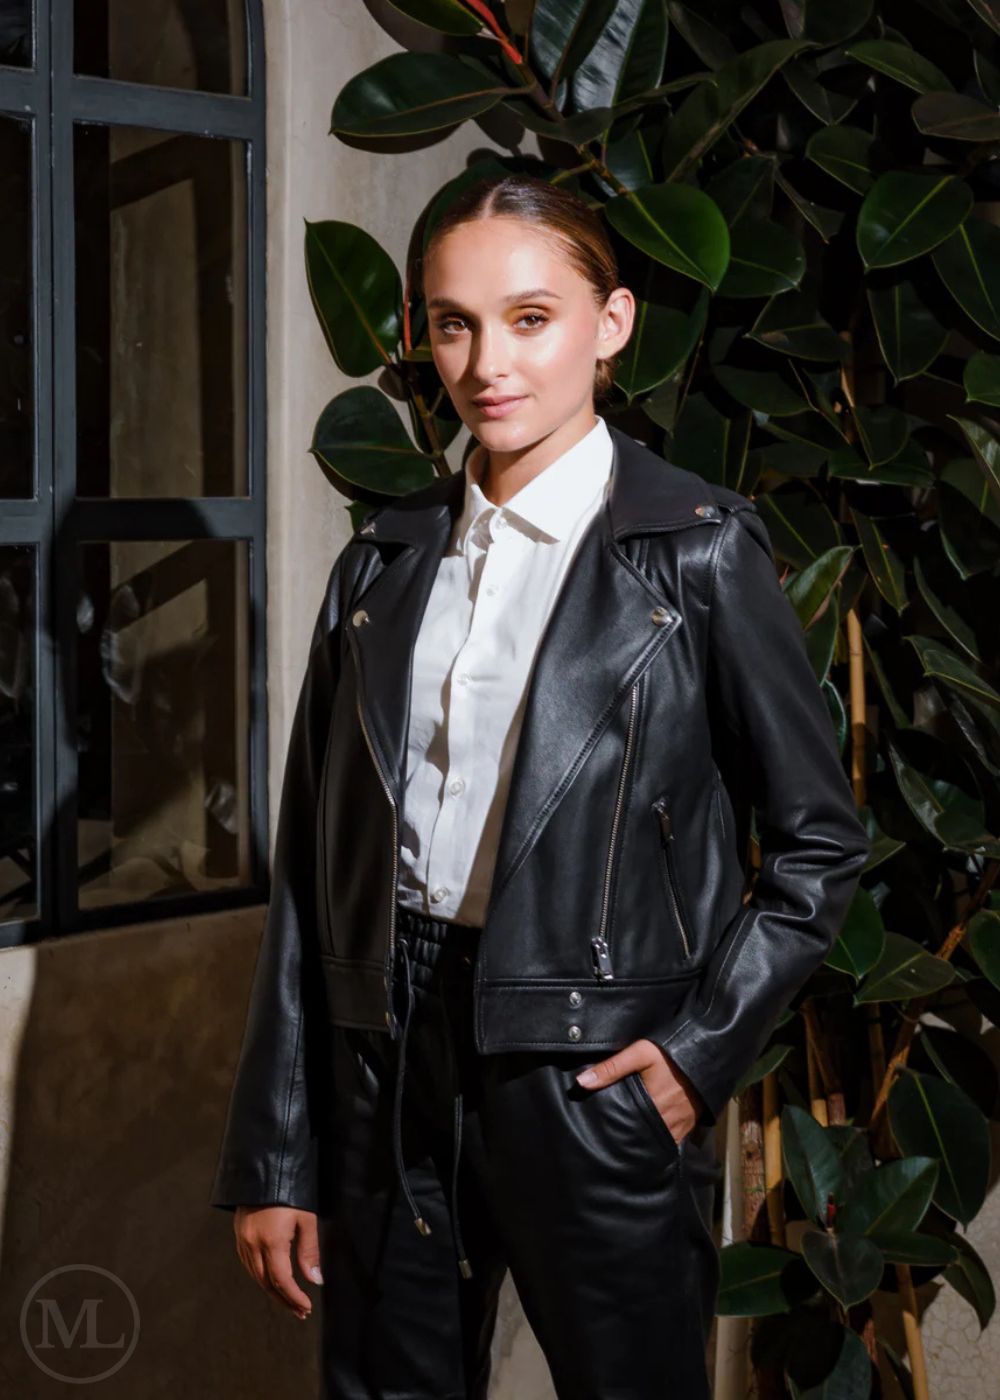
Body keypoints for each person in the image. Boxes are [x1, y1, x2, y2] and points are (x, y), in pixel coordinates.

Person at [210, 173, 871, 1399]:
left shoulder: (697, 549)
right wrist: (278, 1146)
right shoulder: (384, 559)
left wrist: (692, 1053)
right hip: (385, 1052)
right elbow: (314, 873)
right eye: (453, 322)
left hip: (589, 1065)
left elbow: (820, 842)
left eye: (529, 317)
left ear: (610, 322)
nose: (486, 362)